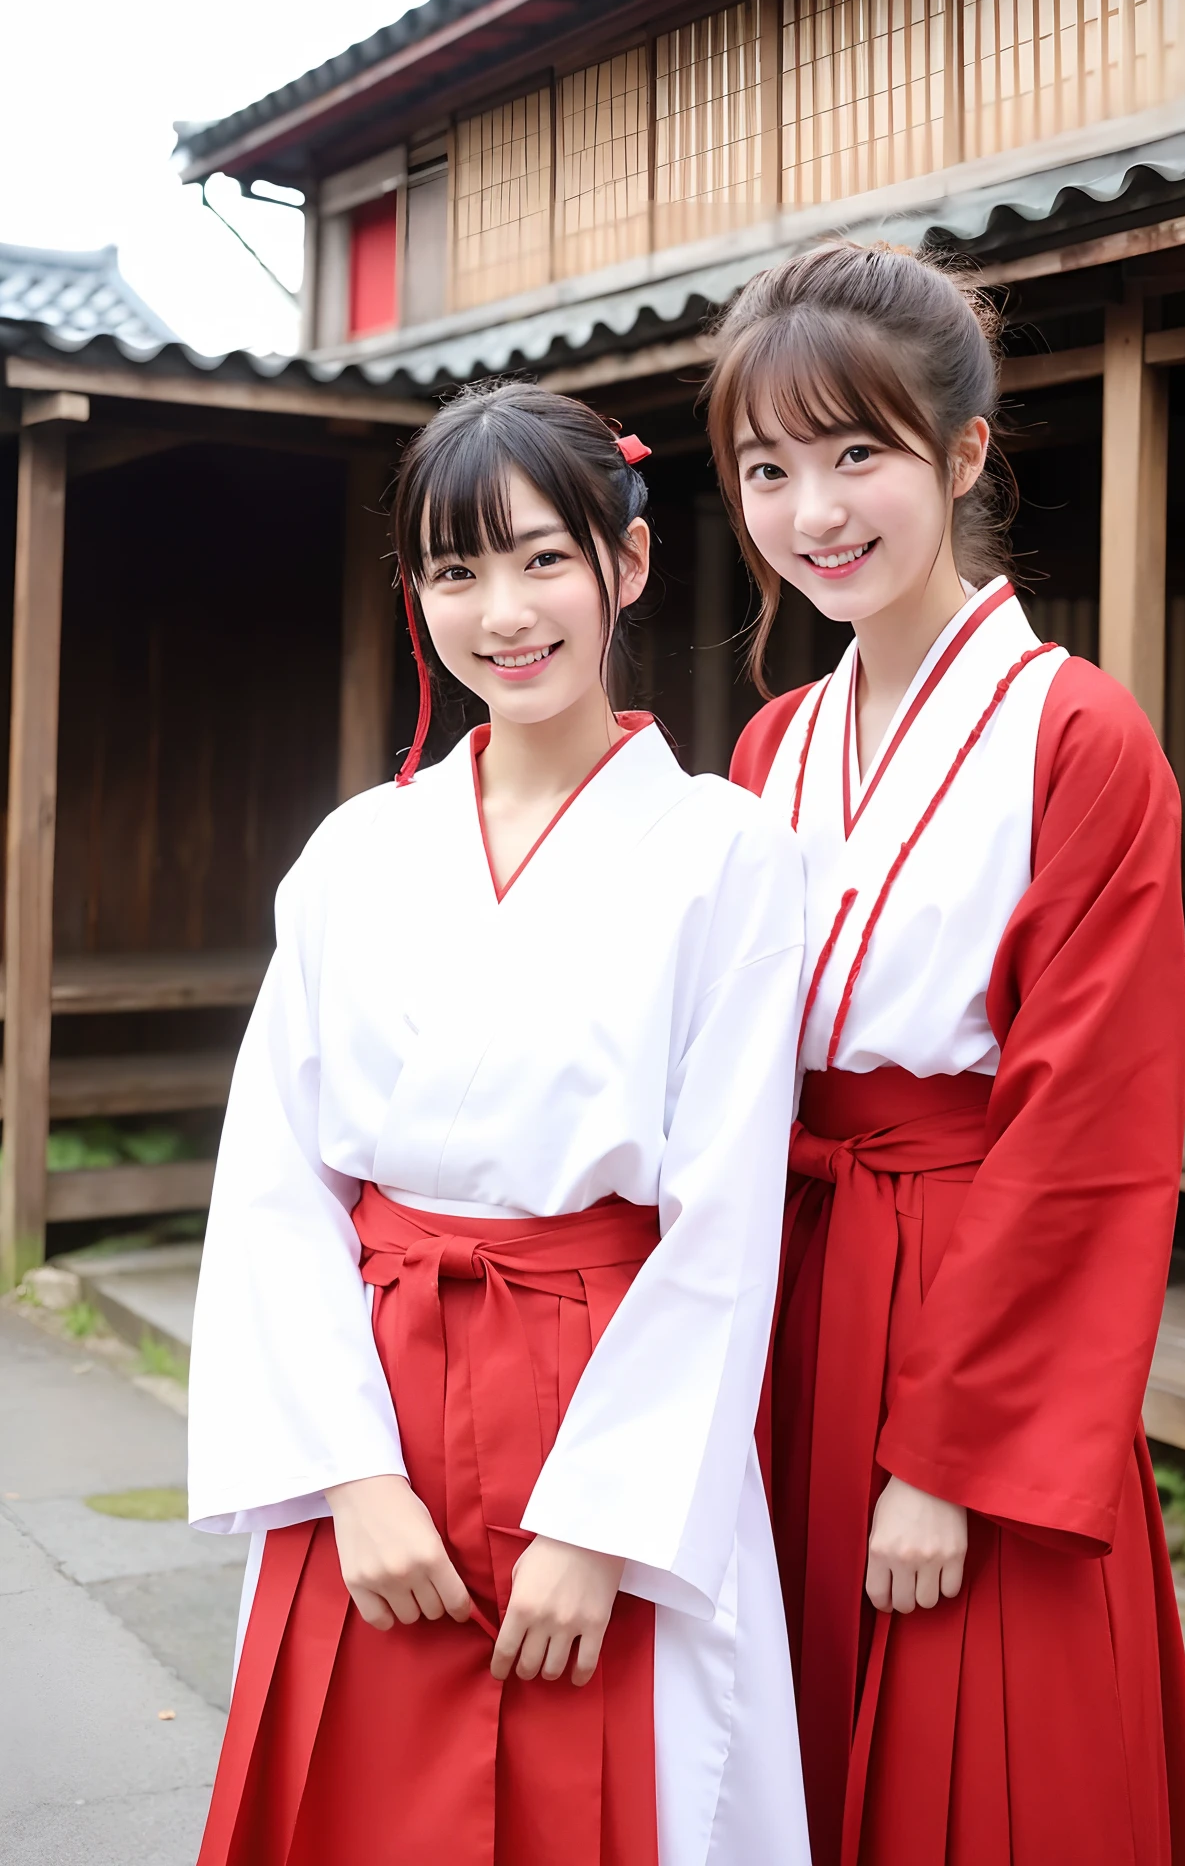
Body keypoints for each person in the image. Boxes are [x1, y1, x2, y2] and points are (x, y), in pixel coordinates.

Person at [188, 382, 812, 1866]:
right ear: (418, 594)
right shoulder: (359, 850)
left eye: (543, 557)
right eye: (456, 569)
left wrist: (602, 1527)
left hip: (606, 1388)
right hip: (379, 1399)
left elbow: (725, 1224)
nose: (503, 611)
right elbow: (276, 1184)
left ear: (630, 564)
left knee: (620, 1800)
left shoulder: (731, 854)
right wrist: (352, 1477)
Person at [709, 243, 1185, 1866]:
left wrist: (952, 1457)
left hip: (967, 1306)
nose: (815, 513)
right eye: (770, 468)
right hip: (788, 1287)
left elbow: (1089, 1127)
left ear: (967, 451)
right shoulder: (773, 746)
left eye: (859, 453)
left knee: (980, 1773)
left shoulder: (1076, 735)